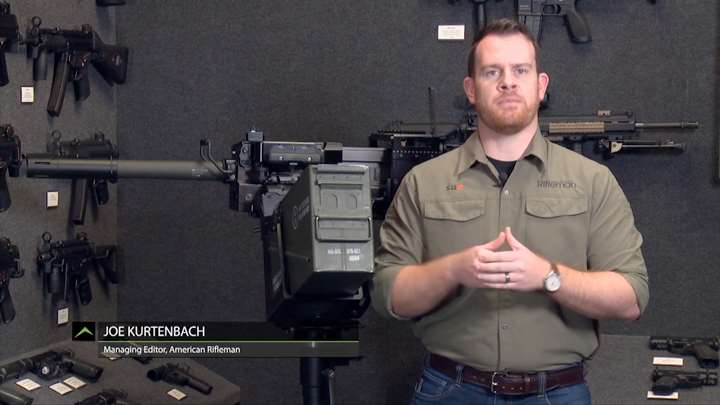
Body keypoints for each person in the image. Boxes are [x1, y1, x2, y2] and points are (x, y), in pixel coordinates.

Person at [371, 18, 649, 405]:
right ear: (471, 89)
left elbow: (631, 297)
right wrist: (454, 269)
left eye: (521, 70)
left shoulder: (593, 181)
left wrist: (547, 277)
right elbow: (389, 295)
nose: (508, 82)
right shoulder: (423, 183)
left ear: (541, 85)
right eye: (492, 72)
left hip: (557, 393)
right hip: (449, 391)